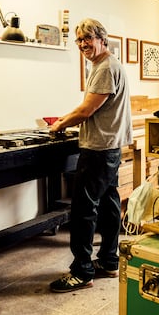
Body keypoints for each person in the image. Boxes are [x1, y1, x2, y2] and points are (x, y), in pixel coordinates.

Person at [49, 18, 132, 293]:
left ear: (102, 39)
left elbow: (86, 110)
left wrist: (60, 123)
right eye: (79, 40)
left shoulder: (105, 67)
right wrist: (66, 118)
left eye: (88, 38)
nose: (83, 44)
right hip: (110, 147)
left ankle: (82, 271)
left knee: (84, 210)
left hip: (98, 150)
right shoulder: (107, 64)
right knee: (109, 204)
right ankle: (109, 260)